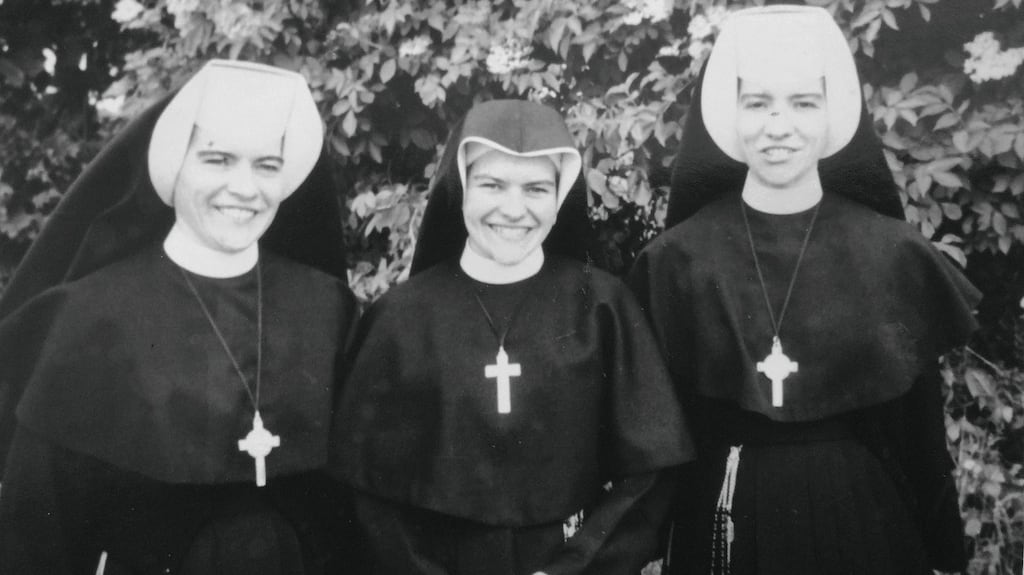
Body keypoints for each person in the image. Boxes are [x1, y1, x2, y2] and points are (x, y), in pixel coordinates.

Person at [628, 6, 982, 575]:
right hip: (724, 518)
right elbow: (660, 440)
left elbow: (920, 435)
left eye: (803, 103)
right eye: (757, 103)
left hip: (865, 524)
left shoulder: (892, 252)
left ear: (832, 112)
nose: (779, 126)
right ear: (728, 114)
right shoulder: (676, 260)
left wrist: (945, 556)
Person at [0, 60, 362, 574]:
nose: (245, 188)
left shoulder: (327, 308)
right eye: (218, 159)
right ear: (176, 164)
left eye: (266, 165)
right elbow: (39, 531)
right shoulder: (89, 315)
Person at [331, 99, 694, 575]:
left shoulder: (603, 306)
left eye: (536, 188)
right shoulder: (399, 318)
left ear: (559, 197)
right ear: (461, 188)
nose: (514, 209)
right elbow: (366, 490)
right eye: (492, 185)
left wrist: (576, 568)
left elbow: (653, 469)